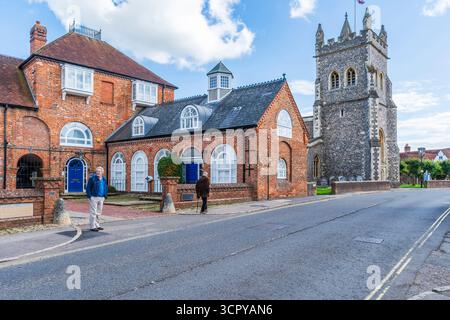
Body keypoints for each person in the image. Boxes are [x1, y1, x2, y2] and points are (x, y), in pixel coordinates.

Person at [86, 167, 108, 232]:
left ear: (102, 172)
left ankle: (97, 225)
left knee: (99, 212)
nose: (98, 172)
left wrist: (105, 195)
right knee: (93, 212)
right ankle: (92, 226)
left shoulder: (104, 179)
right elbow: (88, 188)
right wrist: (90, 197)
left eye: (99, 171)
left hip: (101, 198)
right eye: (97, 171)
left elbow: (105, 187)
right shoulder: (92, 179)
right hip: (94, 197)